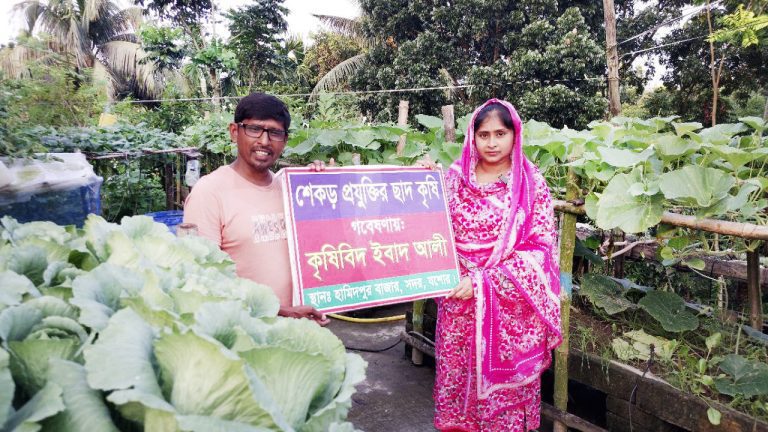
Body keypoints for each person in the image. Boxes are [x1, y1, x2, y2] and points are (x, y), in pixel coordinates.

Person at [430, 99, 561, 431]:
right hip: (456, 300)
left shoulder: (530, 185)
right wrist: (420, 182)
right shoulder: (454, 179)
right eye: (484, 134)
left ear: (514, 134)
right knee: (457, 381)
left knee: (503, 407)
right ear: (471, 138)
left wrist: (483, 282)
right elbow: (430, 228)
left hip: (508, 310)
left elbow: (540, 250)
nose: (491, 143)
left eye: (500, 133)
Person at [183, 92, 329, 325]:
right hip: (245, 335)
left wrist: (323, 186)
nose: (264, 141)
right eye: (254, 129)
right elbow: (204, 280)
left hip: (301, 330)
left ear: (285, 139)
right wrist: (281, 311)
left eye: (275, 132)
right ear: (234, 132)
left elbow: (325, 243)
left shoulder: (292, 189)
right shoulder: (209, 192)